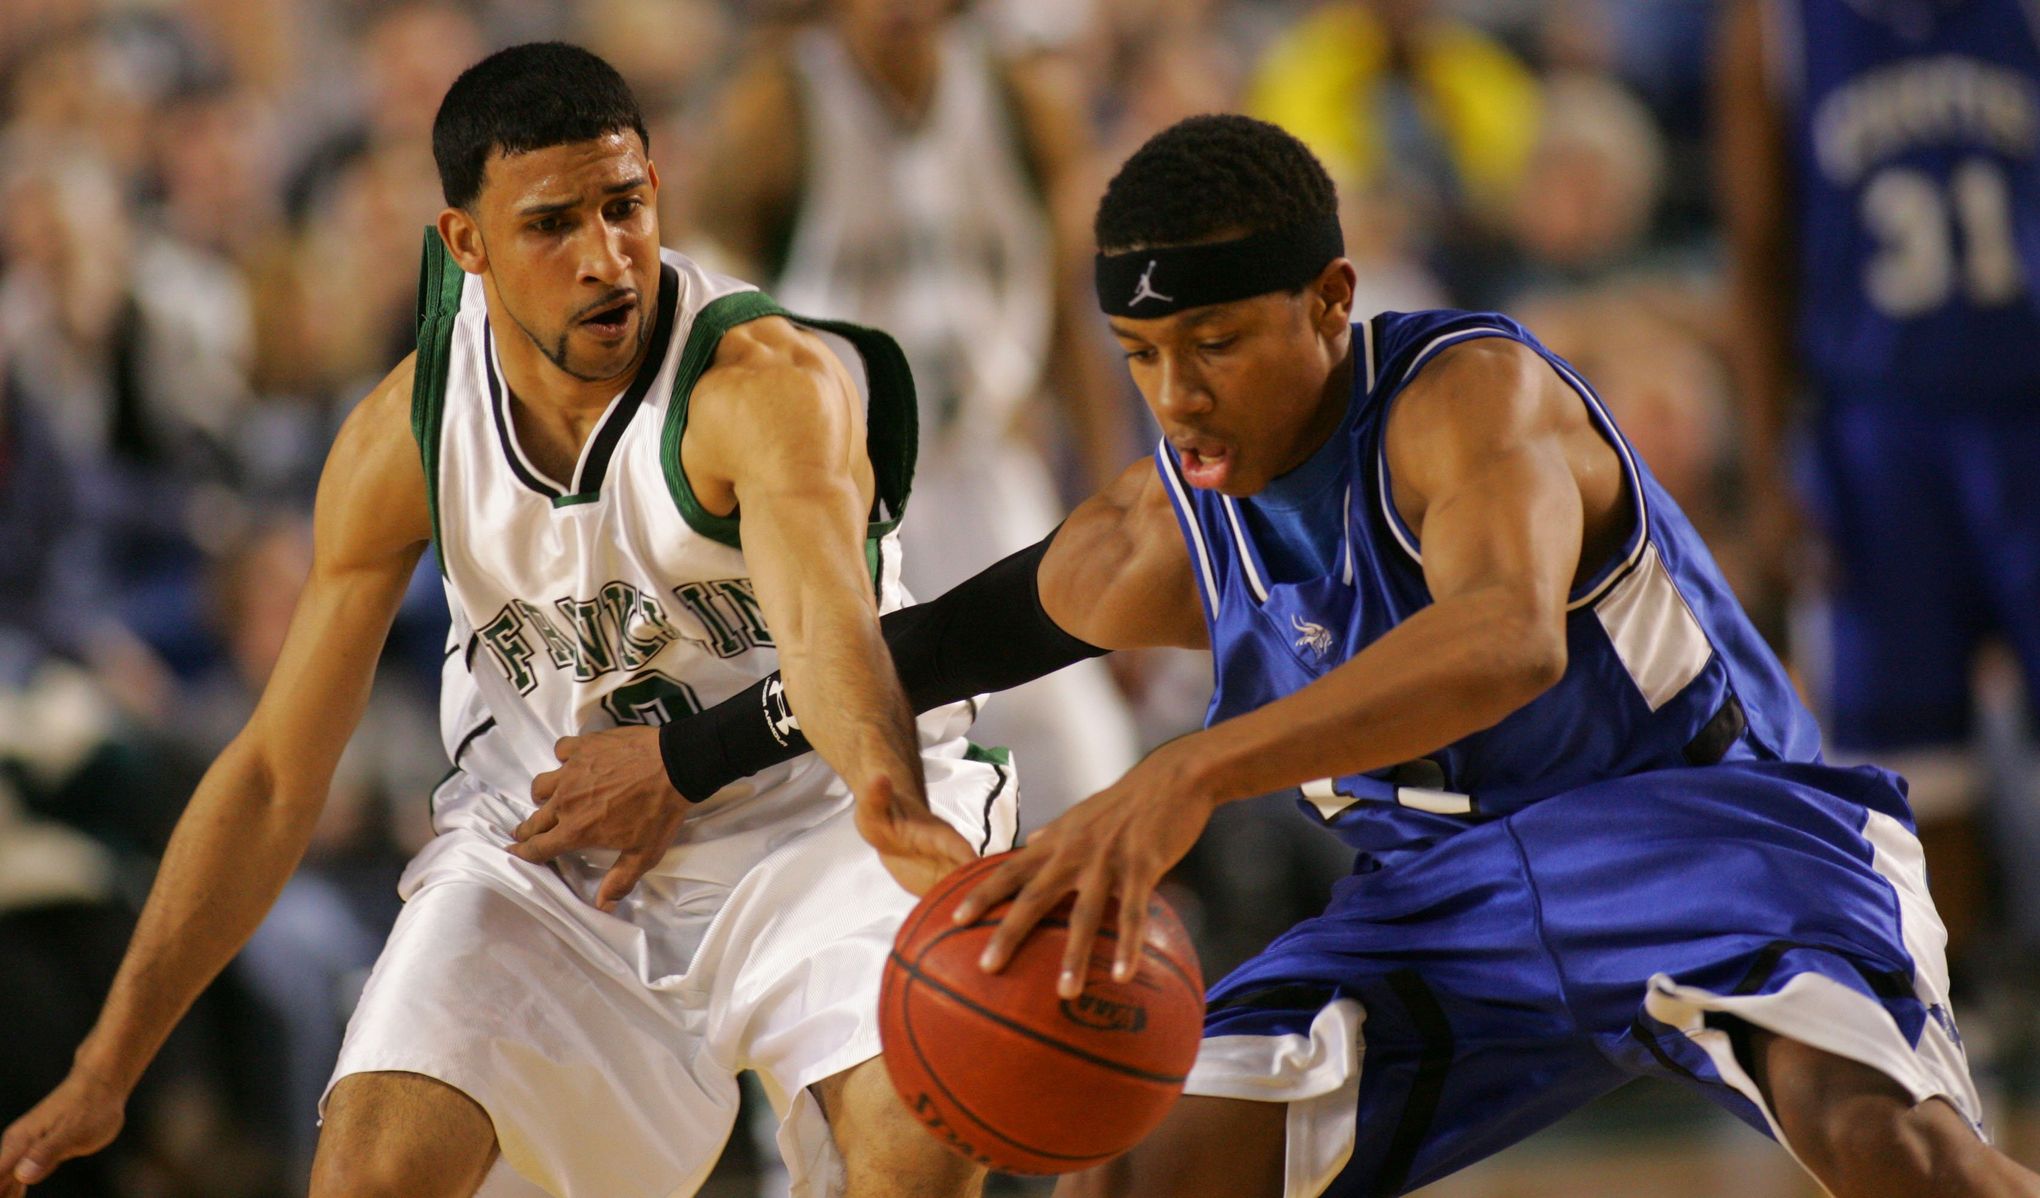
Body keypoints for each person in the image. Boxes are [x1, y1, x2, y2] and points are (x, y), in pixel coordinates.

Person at [531, 115, 2040, 1197]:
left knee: (1887, 1151)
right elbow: (914, 644)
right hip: (1437, 909)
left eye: (1220, 343)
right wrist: (686, 754)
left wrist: (1192, 764)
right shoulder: (1162, 525)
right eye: (1142, 360)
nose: (1178, 399)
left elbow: (1504, 639)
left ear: (1331, 302)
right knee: (1136, 1164)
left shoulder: (1473, 403)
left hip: (1715, 839)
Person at [0, 42, 1012, 1198]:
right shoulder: (404, 438)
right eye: (551, 225)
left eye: (625, 206)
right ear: (465, 244)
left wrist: (893, 807)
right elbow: (279, 774)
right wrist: (106, 1064)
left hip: (817, 821)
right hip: (558, 856)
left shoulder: (758, 384)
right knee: (373, 1166)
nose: (606, 258)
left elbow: (833, 634)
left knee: (913, 1145)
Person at [697, 0, 1141, 816]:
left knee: (1086, 765)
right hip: (839, 488)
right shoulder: (774, 105)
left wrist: (1107, 486)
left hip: (986, 466)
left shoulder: (1023, 95)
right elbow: (708, 310)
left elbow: (1066, 310)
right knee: (860, 763)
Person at [1717, 0, 2040, 970]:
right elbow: (1758, 251)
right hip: (1876, 429)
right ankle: (1958, 1005)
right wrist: (1771, 465)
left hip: (2026, 407)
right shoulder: (1774, 26)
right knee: (1909, 770)